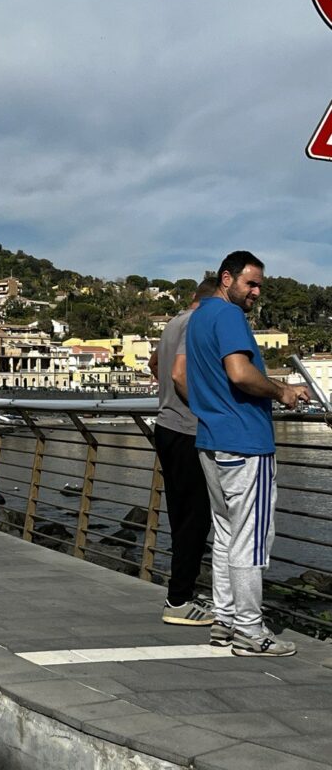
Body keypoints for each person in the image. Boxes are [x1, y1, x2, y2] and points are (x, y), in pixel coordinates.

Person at [185, 251, 309, 657]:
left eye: (259, 285)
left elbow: (186, 376)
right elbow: (239, 373)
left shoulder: (199, 317)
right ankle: (250, 631)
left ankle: (223, 620)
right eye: (250, 283)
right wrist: (282, 391)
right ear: (227, 279)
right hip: (245, 443)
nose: (256, 292)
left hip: (211, 441)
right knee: (250, 541)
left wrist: (220, 404)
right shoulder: (228, 316)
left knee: (224, 535)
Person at [148, 276, 218, 626]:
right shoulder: (197, 322)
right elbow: (178, 374)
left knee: (181, 513)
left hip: (166, 426)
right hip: (189, 428)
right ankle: (179, 600)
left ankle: (182, 593)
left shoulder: (174, 322)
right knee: (197, 516)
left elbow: (154, 365)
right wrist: (209, 408)